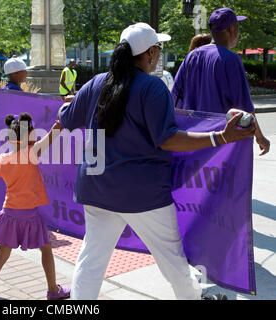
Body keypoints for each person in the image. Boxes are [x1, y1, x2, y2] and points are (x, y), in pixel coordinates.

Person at [58, 22, 255, 300]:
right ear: (150, 53)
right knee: (172, 261)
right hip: (142, 195)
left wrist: (68, 103)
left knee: (91, 260)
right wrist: (220, 137)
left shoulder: (96, 83)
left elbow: (65, 118)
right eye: (159, 49)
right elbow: (168, 139)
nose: (159, 55)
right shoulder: (152, 87)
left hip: (95, 188)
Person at [0, 113, 70, 300]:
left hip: (9, 215)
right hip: (30, 216)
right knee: (46, 250)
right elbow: (55, 131)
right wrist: (66, 109)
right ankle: (53, 290)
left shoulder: (0, 161)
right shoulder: (31, 154)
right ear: (27, 136)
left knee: (1, 256)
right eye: (33, 131)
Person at [171, 8, 270, 156]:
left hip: (193, 139)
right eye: (238, 27)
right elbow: (244, 108)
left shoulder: (191, 57)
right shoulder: (231, 59)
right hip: (222, 141)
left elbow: (174, 99)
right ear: (231, 29)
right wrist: (260, 137)